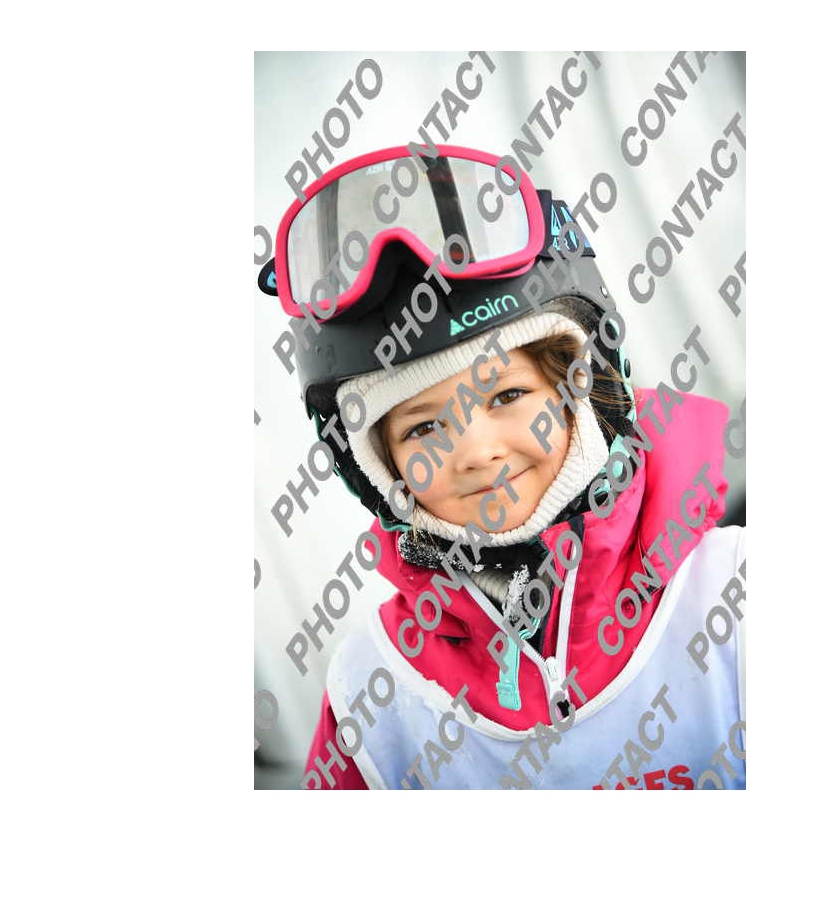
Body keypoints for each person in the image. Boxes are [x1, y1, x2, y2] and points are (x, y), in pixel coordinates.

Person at [260, 145, 745, 789]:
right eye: (424, 428)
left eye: (507, 395)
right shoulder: (374, 696)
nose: (476, 452)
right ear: (380, 473)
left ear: (585, 393)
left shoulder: (730, 596)